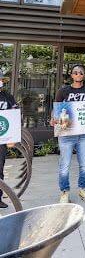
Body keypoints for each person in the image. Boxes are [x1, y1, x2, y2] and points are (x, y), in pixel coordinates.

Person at [51, 64, 85, 203]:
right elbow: (56, 109)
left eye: (81, 73)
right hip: (66, 134)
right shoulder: (63, 91)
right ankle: (64, 192)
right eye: (75, 72)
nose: (78, 74)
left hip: (83, 134)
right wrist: (53, 118)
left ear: (84, 75)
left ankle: (83, 190)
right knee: (64, 165)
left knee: (84, 165)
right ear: (71, 75)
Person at [0, 73, 18, 209]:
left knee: (0, 169)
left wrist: (13, 137)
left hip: (2, 138)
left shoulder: (8, 97)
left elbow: (15, 115)